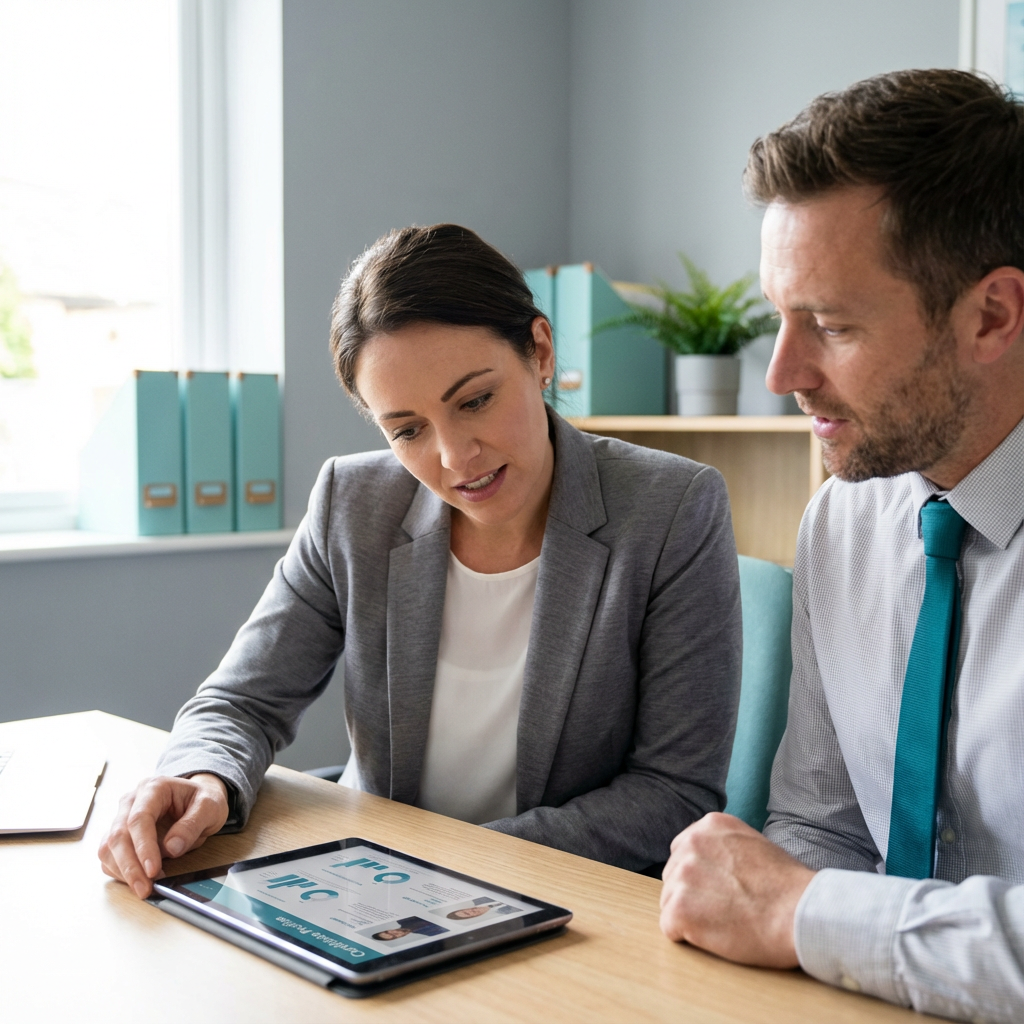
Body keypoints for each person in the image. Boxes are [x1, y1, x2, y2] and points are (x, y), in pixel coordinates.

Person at [99, 224, 742, 897]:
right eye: (407, 429)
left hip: (564, 903)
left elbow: (674, 791)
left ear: (541, 351)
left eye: (476, 400)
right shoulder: (353, 503)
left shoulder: (672, 508)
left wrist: (436, 868)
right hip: (374, 894)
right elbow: (240, 702)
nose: (455, 456)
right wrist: (200, 777)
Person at [659, 70, 1024, 1022]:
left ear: (992, 315)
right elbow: (821, 824)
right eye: (780, 317)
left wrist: (805, 913)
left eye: (830, 325)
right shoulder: (847, 518)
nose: (784, 374)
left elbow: (808, 897)